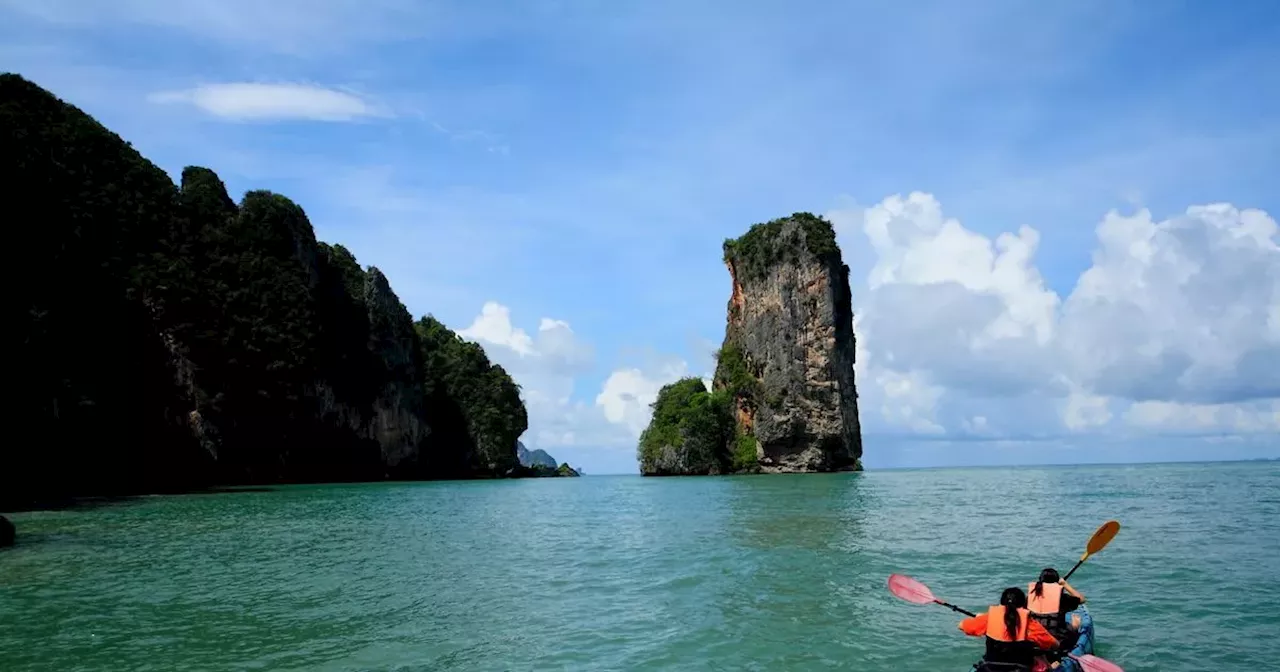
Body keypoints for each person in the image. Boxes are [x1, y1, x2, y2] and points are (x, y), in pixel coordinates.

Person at [958, 586, 1059, 672]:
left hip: (990, 668)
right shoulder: (1031, 624)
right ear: (1023, 606)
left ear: (1001, 604)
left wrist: (982, 619)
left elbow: (961, 626)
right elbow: (1055, 644)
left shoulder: (989, 619)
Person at [1026, 568, 1087, 641]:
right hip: (1056, 639)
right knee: (1075, 624)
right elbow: (1082, 599)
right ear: (1056, 582)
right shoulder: (1062, 599)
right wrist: (1065, 584)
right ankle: (1075, 627)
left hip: (1034, 637)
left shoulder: (1030, 597)